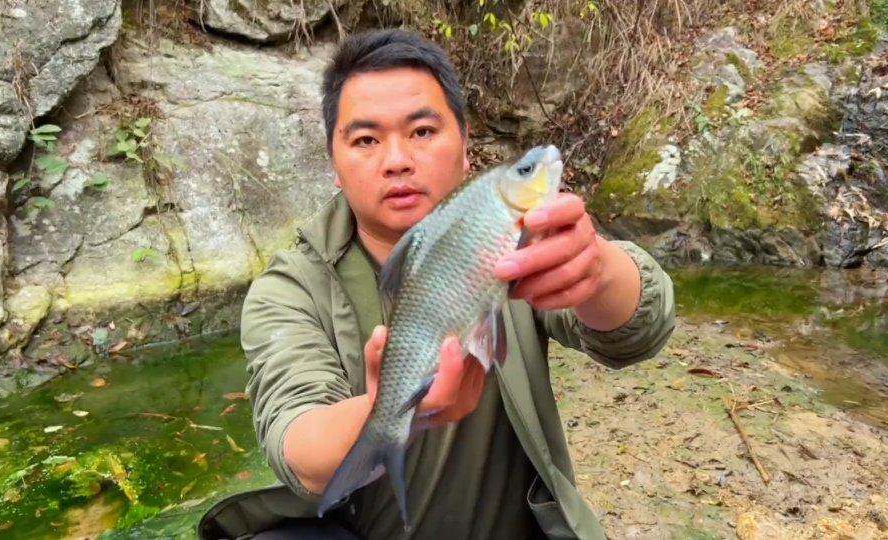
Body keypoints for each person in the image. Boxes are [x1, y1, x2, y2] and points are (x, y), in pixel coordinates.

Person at [196, 28, 676, 540]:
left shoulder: (507, 230)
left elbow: (638, 333)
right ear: (333, 161)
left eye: (422, 131)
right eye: (365, 139)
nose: (397, 159)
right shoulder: (288, 287)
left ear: (466, 146)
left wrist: (597, 272)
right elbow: (297, 443)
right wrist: (393, 410)